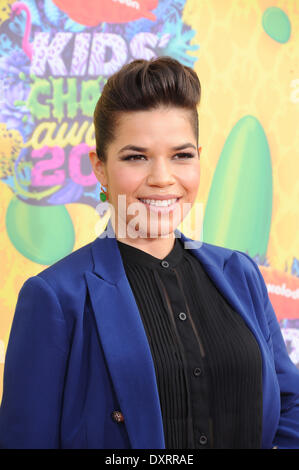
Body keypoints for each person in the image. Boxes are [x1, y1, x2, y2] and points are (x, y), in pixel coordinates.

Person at [0, 56, 298, 450]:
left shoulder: (240, 273)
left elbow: (290, 403)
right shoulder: (55, 298)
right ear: (100, 167)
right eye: (136, 156)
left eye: (181, 155)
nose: (162, 178)